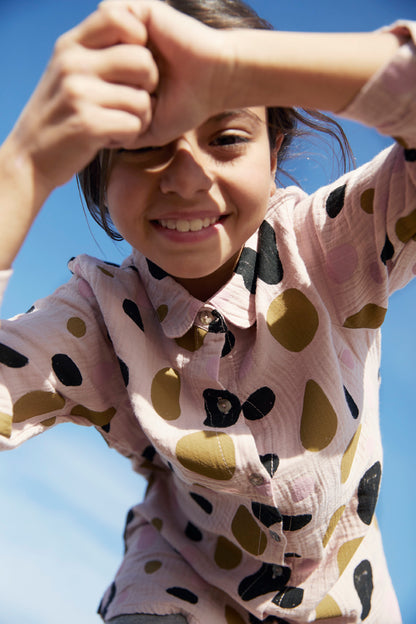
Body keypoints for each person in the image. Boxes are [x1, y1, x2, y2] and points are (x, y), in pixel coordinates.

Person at [0, 0, 415, 622]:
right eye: (145, 145)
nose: (189, 178)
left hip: (344, 586)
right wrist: (22, 169)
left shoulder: (333, 243)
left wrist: (239, 64)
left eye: (225, 136)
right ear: (99, 177)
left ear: (273, 154)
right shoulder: (102, 320)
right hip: (178, 577)